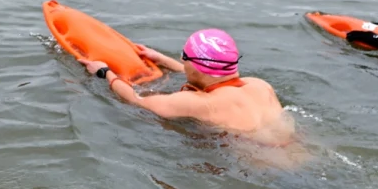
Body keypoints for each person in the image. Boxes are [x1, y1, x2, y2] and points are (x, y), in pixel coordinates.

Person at [80, 29, 298, 152]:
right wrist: (163, 60)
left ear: (195, 66)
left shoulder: (197, 103)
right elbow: (211, 76)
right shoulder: (260, 85)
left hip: (263, 169)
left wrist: (104, 71)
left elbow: (134, 99)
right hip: (298, 155)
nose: (182, 60)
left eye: (184, 56)